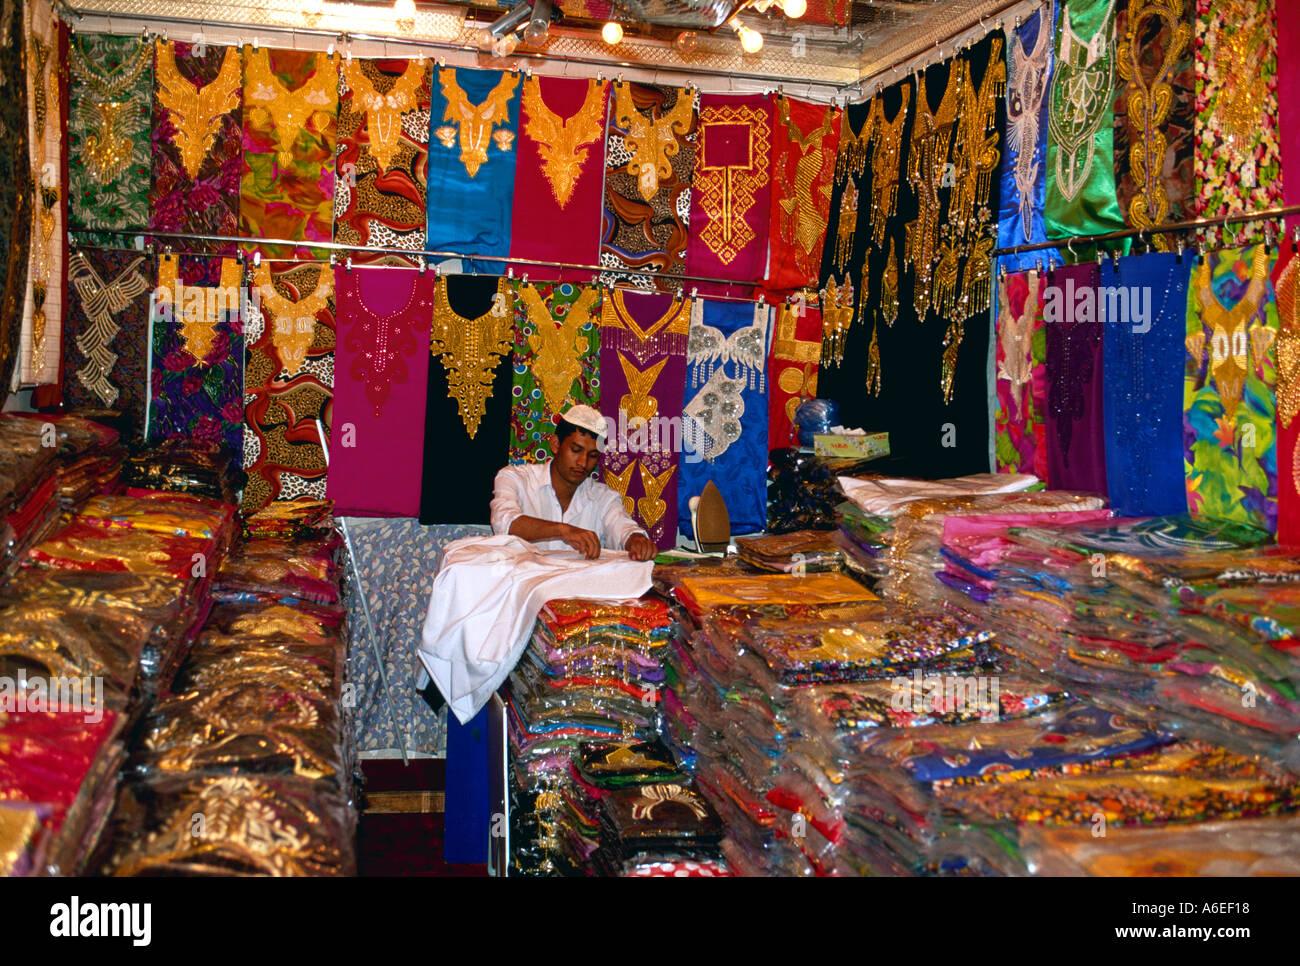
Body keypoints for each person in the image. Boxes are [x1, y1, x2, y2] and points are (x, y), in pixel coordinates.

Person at [489, 404, 658, 561]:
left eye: (592, 456)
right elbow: (505, 522)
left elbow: (622, 527)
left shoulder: (603, 498)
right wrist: (563, 530)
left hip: (578, 590)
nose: (583, 463)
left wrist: (636, 540)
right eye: (576, 450)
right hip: (524, 587)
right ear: (555, 444)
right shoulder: (515, 478)